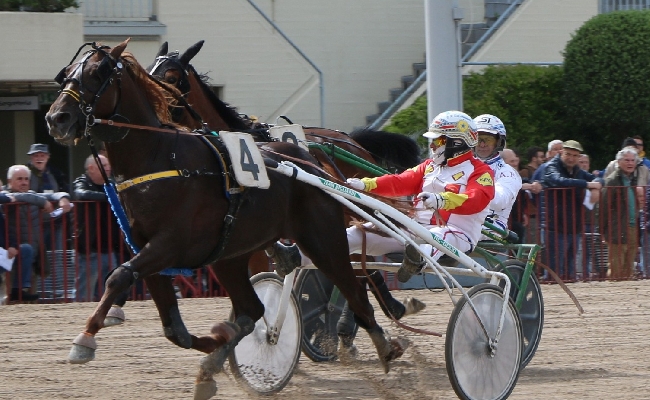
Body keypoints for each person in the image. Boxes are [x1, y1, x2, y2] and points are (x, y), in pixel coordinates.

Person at [267, 110, 495, 349]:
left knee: (436, 237)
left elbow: (477, 199)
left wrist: (443, 201)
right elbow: (399, 182)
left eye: (438, 140)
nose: (432, 145)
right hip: (415, 230)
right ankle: (295, 256)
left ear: (456, 143)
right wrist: (363, 184)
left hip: (456, 234)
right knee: (361, 233)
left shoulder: (480, 172)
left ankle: (417, 258)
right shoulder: (430, 167)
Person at [3, 166, 72, 289]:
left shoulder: (33, 196)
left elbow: (57, 194)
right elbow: (13, 197)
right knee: (12, 299)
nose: (24, 182)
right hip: (12, 257)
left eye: (26, 179)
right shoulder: (4, 196)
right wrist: (42, 201)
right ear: (9, 181)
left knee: (31, 299)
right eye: (19, 179)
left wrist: (63, 198)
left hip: (33, 257)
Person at [541, 140, 601, 280]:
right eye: (568, 154)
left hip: (573, 226)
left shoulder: (576, 170)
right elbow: (559, 180)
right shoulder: (551, 166)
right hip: (554, 226)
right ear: (561, 152)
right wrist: (587, 184)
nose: (571, 158)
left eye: (575, 155)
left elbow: (598, 178)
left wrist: (596, 187)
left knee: (570, 272)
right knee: (553, 273)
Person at [73, 155, 120, 302]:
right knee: (84, 292)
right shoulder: (82, 182)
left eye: (108, 164)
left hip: (109, 248)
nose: (108, 168)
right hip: (89, 249)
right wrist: (110, 198)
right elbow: (80, 194)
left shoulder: (111, 184)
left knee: (111, 290)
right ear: (91, 168)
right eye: (104, 165)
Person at [472, 115, 522, 239]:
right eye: (478, 139)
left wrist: (464, 192)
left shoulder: (507, 172)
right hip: (464, 223)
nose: (482, 144)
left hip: (490, 228)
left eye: (488, 139)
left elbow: (500, 201)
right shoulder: (464, 165)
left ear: (498, 142)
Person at [600, 148, 642, 280]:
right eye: (626, 160)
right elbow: (604, 207)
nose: (630, 163)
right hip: (617, 228)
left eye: (632, 160)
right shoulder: (612, 180)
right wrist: (603, 231)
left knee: (629, 267)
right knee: (616, 268)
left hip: (632, 227)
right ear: (619, 162)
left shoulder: (633, 180)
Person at [0, 191, 37, 302]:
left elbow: (6, 232)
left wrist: (12, 246)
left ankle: (18, 291)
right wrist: (7, 198)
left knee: (26, 250)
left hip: (2, 254)